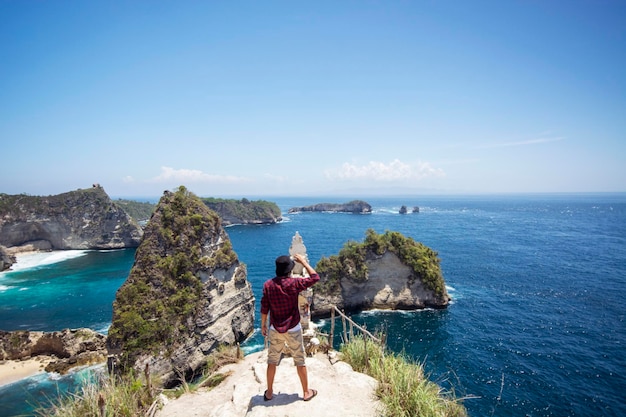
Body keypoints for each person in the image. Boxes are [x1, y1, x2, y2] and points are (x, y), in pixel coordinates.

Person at [260, 253, 320, 402]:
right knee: (300, 360)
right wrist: (304, 262)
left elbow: (264, 307)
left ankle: (269, 393)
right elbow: (315, 278)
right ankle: (306, 392)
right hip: (293, 328)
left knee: (272, 360)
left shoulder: (268, 285)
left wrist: (263, 325)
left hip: (275, 328)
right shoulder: (293, 284)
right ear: (289, 271)